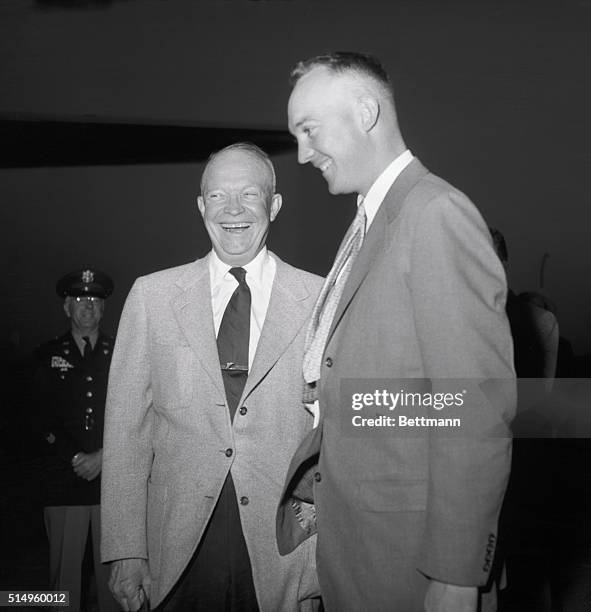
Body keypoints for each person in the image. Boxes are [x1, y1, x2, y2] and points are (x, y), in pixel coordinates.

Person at [276, 52, 516, 611]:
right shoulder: (370, 220)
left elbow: (473, 405)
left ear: (365, 111)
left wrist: (456, 576)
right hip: (361, 548)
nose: (303, 154)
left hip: (414, 562)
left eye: (309, 131)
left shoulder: (435, 214)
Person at [101, 143, 322, 611]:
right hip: (177, 548)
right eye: (218, 197)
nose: (233, 210)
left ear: (274, 205)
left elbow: (334, 433)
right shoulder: (152, 297)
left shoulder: (320, 300)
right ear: (201, 207)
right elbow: (126, 432)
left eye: (248, 195)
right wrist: (125, 548)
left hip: (282, 551)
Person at [32, 268, 118, 612]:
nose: (88, 306)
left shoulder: (123, 352)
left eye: (95, 300)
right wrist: (75, 458)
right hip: (63, 482)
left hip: (112, 485)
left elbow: (136, 411)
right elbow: (36, 417)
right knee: (63, 584)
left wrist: (105, 456)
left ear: (104, 308)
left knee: (115, 584)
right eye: (80, 299)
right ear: (66, 307)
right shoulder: (45, 355)